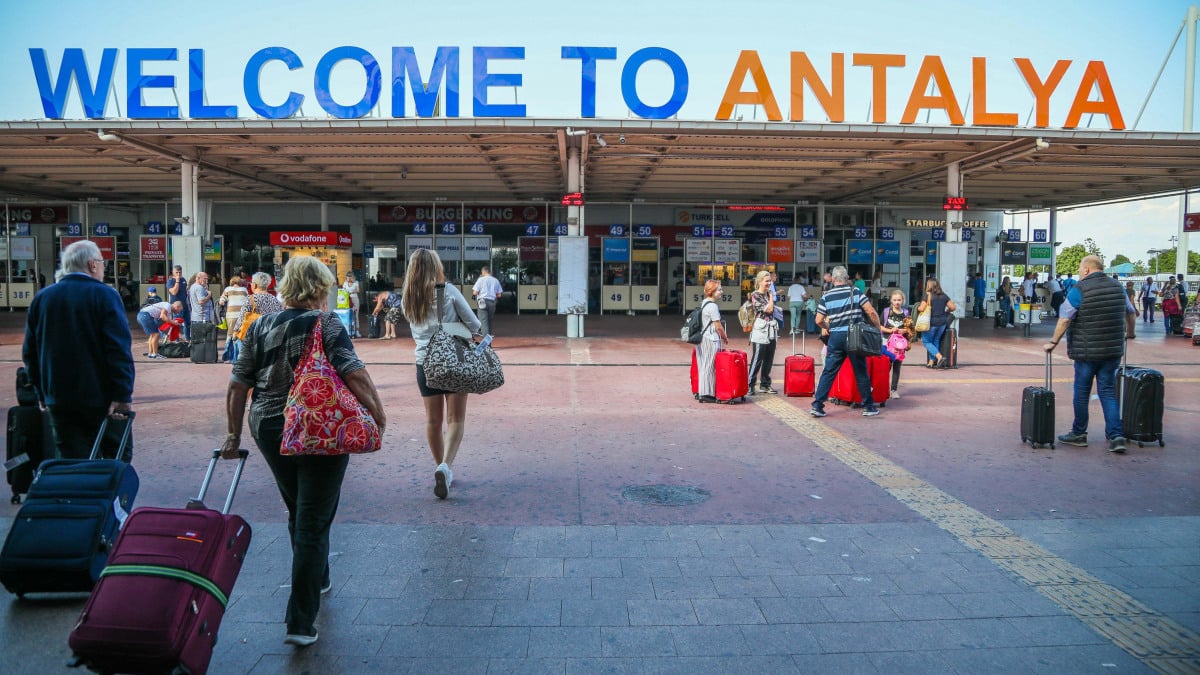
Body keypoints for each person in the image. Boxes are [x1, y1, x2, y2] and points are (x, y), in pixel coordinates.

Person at [223, 256, 385, 648]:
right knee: (313, 518)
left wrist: (232, 435)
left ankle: (320, 575)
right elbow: (353, 371)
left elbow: (237, 383)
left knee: (299, 508)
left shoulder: (260, 324)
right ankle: (300, 621)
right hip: (317, 425)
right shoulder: (325, 322)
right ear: (318, 288)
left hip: (268, 426)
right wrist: (378, 415)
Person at [23, 240, 134, 459]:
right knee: (116, 458)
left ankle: (75, 494)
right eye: (102, 263)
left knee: (71, 460)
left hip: (58, 397)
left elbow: (30, 353)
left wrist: (40, 392)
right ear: (92, 264)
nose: (103, 268)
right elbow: (118, 350)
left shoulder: (43, 298)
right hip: (101, 398)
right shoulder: (105, 295)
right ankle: (108, 495)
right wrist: (122, 393)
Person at [401, 248, 483, 500]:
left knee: (432, 421)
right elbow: (474, 324)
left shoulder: (408, 297)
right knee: (455, 419)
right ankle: (446, 466)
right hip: (454, 360)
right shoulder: (447, 290)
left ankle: (440, 467)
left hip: (424, 363)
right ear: (436, 266)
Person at [1043, 255, 1136, 453]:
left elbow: (1065, 319)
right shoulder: (1118, 287)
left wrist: (1053, 342)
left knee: (1082, 392)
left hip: (1086, 352)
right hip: (1112, 351)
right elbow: (1130, 312)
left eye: (1079, 268)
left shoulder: (1080, 289)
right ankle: (1116, 435)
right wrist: (1130, 333)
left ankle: (1079, 434)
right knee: (1108, 392)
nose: (1078, 272)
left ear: (1086, 269)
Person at [810, 266, 883, 418]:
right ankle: (868, 406)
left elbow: (818, 320)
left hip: (835, 337)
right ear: (847, 277)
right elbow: (870, 312)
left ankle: (817, 405)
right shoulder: (855, 292)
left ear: (833, 279)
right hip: (853, 336)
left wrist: (829, 327)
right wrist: (878, 328)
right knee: (860, 371)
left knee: (829, 371)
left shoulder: (826, 296)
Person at [694, 279, 729, 403]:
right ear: (712, 291)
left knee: (703, 365)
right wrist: (725, 337)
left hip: (701, 339)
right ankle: (707, 394)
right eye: (719, 289)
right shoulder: (713, 306)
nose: (721, 292)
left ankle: (701, 391)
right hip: (710, 339)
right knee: (709, 366)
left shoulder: (703, 303)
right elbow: (718, 326)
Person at [746, 271, 779, 395]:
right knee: (757, 358)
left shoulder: (767, 294)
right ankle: (750, 385)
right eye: (766, 281)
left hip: (771, 329)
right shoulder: (755, 295)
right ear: (760, 281)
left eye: (770, 281)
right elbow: (769, 310)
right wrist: (771, 297)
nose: (769, 283)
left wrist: (770, 296)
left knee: (769, 359)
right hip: (760, 330)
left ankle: (765, 384)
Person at [880, 290, 913, 399]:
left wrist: (904, 331)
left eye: (899, 300)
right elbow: (879, 326)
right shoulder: (886, 312)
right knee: (886, 366)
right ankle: (881, 388)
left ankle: (893, 389)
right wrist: (890, 331)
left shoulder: (906, 313)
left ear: (903, 300)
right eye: (894, 300)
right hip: (887, 342)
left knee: (897, 366)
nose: (897, 302)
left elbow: (910, 328)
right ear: (891, 301)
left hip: (900, 344)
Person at [916, 278, 957, 368]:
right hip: (942, 323)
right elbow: (953, 307)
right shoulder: (944, 295)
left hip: (930, 323)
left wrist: (917, 308)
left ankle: (939, 356)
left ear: (928, 285)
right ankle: (931, 362)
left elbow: (921, 308)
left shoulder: (927, 295)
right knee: (935, 341)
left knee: (926, 341)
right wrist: (946, 311)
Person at [219, 276, 249, 362]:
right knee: (240, 335)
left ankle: (227, 357)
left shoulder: (228, 289)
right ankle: (239, 357)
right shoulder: (244, 290)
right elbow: (248, 302)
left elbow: (222, 300)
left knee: (230, 335)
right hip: (242, 316)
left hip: (231, 315)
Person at [472, 265, 504, 336]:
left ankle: (487, 344)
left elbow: (475, 292)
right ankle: (489, 339)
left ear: (484, 271)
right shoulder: (496, 280)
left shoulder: (480, 280)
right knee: (489, 321)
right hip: (492, 303)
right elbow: (499, 295)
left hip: (482, 302)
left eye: (482, 272)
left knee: (484, 322)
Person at [167, 265, 190, 340]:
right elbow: (174, 292)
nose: (178, 274)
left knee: (188, 323)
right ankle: (176, 340)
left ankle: (187, 339)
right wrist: (177, 281)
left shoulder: (183, 279)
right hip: (176, 307)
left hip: (185, 305)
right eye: (176, 272)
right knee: (176, 324)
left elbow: (185, 291)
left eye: (180, 272)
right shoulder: (170, 281)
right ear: (173, 272)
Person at [342, 272, 362, 338]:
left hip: (355, 299)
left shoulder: (356, 283)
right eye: (348, 277)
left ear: (353, 277)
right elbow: (343, 291)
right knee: (348, 315)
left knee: (356, 315)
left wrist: (352, 291)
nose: (349, 278)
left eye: (350, 277)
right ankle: (348, 331)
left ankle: (357, 331)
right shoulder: (345, 283)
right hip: (347, 300)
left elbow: (358, 290)